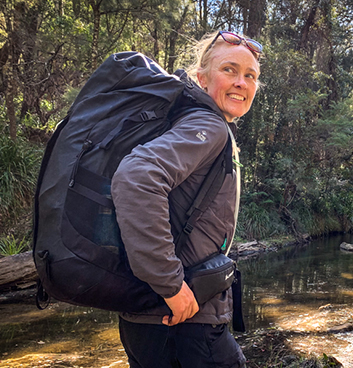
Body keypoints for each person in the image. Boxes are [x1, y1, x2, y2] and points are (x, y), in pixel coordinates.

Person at [110, 30, 262, 368]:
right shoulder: (208, 126)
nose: (241, 82)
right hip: (184, 324)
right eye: (229, 70)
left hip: (151, 317)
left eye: (250, 76)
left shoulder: (188, 121)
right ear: (201, 78)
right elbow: (136, 178)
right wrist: (171, 285)